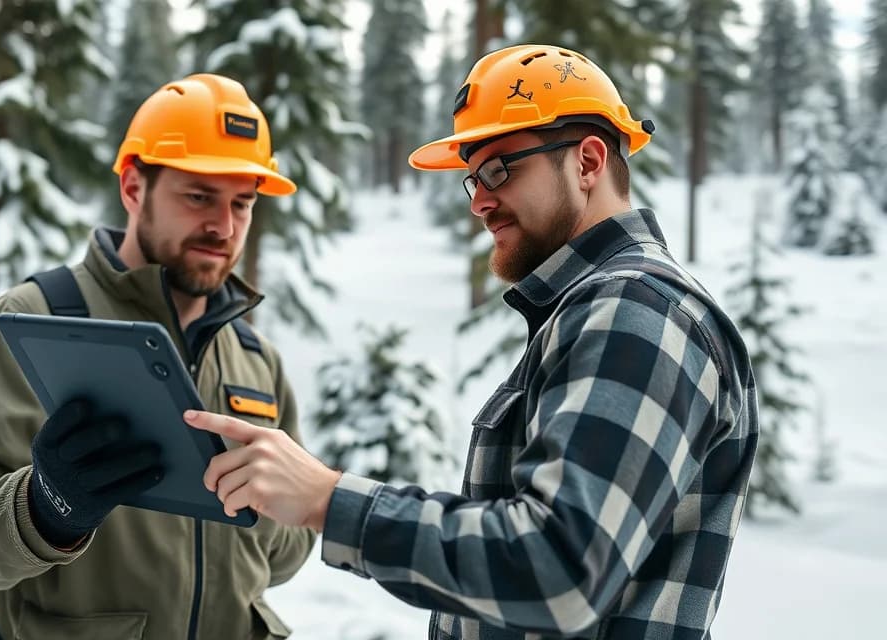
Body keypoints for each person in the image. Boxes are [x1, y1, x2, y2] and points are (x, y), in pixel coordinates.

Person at [184, 44, 758, 639]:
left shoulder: (636, 310)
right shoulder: (601, 309)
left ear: (588, 162)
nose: (480, 202)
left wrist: (328, 500)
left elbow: (560, 571)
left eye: (500, 170)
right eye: (474, 179)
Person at [0, 73, 316, 640]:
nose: (223, 226)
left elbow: (288, 555)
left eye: (242, 204)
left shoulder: (255, 358)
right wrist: (44, 509)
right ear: (133, 188)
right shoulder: (39, 320)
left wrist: (264, 503)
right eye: (199, 196)